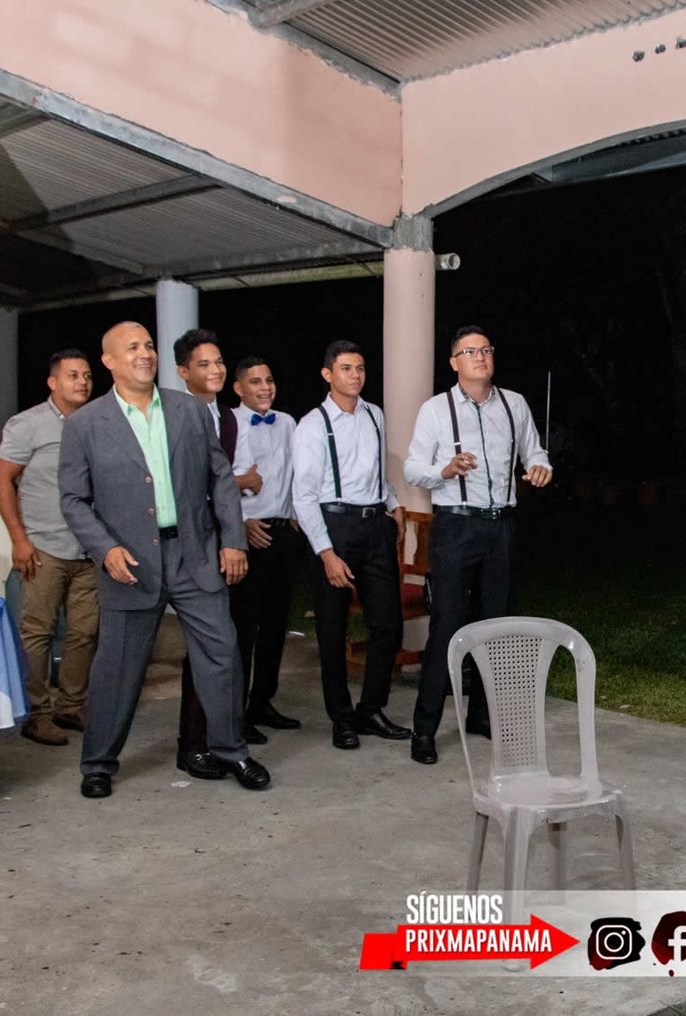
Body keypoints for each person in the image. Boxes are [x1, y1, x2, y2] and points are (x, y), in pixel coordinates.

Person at [58, 322, 268, 798]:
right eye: (132, 347)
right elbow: (73, 500)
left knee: (222, 655)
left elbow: (220, 477)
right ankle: (98, 763)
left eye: (149, 345)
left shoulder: (189, 409)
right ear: (109, 361)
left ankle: (231, 750)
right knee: (118, 668)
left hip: (194, 555)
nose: (145, 353)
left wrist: (232, 541)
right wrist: (105, 549)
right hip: (129, 563)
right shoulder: (85, 425)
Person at [403, 326, 552, 766]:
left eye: (486, 349)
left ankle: (481, 716)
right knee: (447, 626)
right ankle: (424, 729)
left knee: (496, 626)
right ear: (454, 362)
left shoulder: (514, 404)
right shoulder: (436, 409)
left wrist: (540, 467)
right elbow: (413, 468)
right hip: (456, 527)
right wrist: (445, 470)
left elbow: (534, 452)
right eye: (471, 351)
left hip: (501, 527)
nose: (481, 357)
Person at [291, 341, 412, 750]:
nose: (356, 375)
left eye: (360, 368)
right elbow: (304, 496)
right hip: (334, 527)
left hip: (375, 525)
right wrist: (326, 553)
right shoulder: (312, 425)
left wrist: (393, 503)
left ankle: (370, 710)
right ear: (328, 374)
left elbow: (376, 471)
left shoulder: (375, 414)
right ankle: (341, 717)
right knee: (332, 627)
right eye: (346, 368)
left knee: (388, 623)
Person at [171, 329, 268, 779]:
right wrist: (232, 484)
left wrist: (233, 527)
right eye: (204, 364)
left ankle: (224, 737)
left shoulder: (229, 419)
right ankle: (192, 744)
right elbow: (191, 485)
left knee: (225, 645)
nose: (215, 370)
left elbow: (241, 479)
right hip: (183, 545)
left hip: (224, 541)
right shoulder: (169, 416)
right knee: (202, 647)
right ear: (183, 371)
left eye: (219, 362)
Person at [0, 349, 99, 746]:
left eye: (87, 375)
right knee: (37, 632)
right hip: (44, 547)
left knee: (85, 633)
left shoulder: (98, 422)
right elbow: (2, 480)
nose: (82, 382)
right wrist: (19, 540)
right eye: (73, 375)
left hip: (90, 549)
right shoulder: (28, 424)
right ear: (53, 382)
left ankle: (71, 706)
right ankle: (36, 714)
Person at [227, 356, 304, 734]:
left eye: (269, 380)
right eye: (255, 381)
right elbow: (213, 481)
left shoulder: (287, 422)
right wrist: (240, 523)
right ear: (238, 388)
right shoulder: (227, 423)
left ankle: (262, 702)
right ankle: (235, 711)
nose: (265, 387)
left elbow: (297, 471)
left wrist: (295, 513)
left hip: (282, 532)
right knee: (243, 628)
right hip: (246, 535)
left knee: (276, 625)